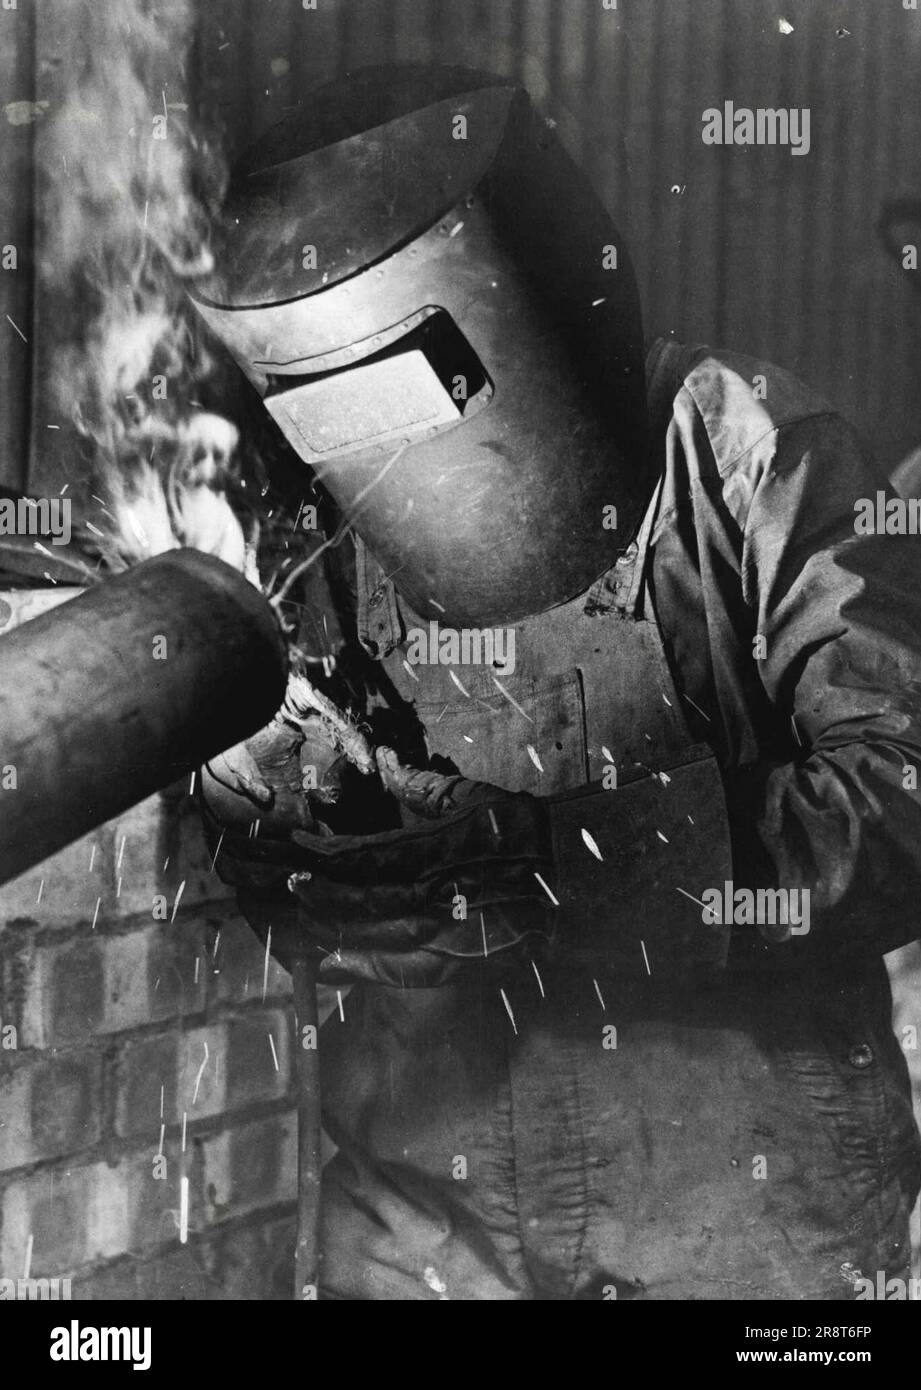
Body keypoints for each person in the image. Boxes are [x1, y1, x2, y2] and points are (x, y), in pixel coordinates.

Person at [195, 65, 921, 1300]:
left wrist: (567, 865)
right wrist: (324, 873)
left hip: (736, 1194)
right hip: (426, 1205)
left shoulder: (743, 447)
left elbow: (903, 797)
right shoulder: (297, 500)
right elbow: (257, 854)